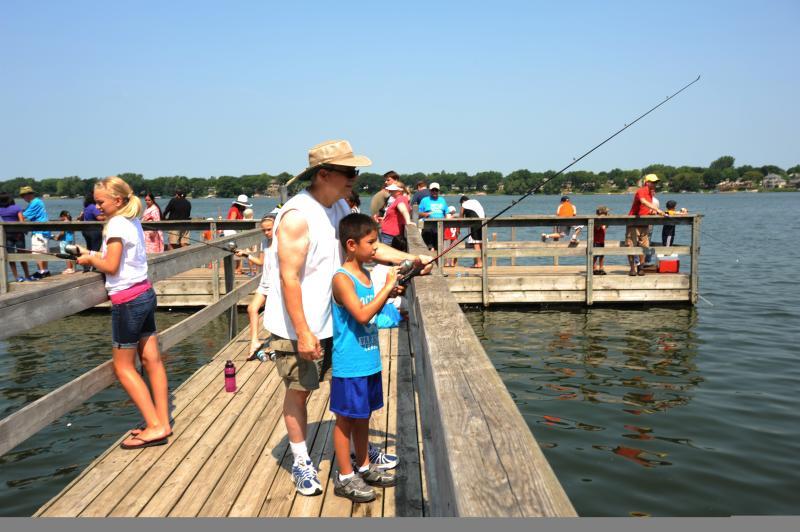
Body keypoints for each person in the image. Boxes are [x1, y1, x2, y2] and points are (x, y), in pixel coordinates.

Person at [263, 139, 432, 496]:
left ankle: (360, 451)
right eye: (349, 171)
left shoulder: (339, 206)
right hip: (299, 324)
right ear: (324, 174)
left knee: (347, 395)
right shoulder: (296, 216)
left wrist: (411, 259)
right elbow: (288, 278)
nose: (355, 177)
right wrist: (304, 332)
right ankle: (302, 461)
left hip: (334, 321)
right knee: (301, 390)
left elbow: (369, 246)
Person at [75, 176, 171, 449]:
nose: (96, 208)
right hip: (144, 293)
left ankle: (154, 427)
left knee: (123, 366)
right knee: (152, 360)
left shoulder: (116, 223)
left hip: (127, 301)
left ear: (117, 201)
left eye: (100, 202)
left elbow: (113, 266)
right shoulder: (132, 221)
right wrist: (93, 253)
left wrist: (91, 259)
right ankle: (162, 421)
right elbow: (121, 258)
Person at [331, 213, 399, 502]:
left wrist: (387, 292)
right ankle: (346, 477)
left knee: (363, 417)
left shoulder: (367, 274)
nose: (376, 247)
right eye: (371, 242)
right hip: (350, 364)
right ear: (351, 244)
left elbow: (370, 308)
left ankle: (365, 466)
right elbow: (360, 315)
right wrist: (386, 289)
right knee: (345, 419)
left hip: (369, 359)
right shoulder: (341, 278)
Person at [240, 214, 275, 357]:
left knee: (273, 313)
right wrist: (245, 255)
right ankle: (255, 341)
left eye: (269, 229)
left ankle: (275, 343)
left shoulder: (282, 242)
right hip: (265, 282)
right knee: (251, 308)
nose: (266, 233)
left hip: (276, 283)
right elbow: (261, 262)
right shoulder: (264, 243)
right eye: (264, 230)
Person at [626, 174, 666, 276]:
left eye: (656, 182)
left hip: (644, 223)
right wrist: (657, 209)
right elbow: (643, 202)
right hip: (633, 223)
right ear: (647, 182)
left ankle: (641, 268)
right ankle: (632, 269)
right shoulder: (642, 191)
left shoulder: (650, 194)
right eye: (653, 182)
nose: (655, 184)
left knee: (644, 247)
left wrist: (652, 212)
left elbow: (645, 208)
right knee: (631, 246)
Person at [20, 186, 51, 279]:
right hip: (44, 231)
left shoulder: (34, 203)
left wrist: (16, 212)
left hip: (39, 231)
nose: (23, 198)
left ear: (29, 195)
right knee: (44, 251)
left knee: (37, 252)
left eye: (23, 196)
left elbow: (24, 216)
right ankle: (45, 271)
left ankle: (41, 272)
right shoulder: (38, 201)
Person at [0, 192, 31, 281]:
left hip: (7, 235)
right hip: (18, 235)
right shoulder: (17, 208)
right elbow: (22, 222)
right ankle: (27, 276)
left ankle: (16, 277)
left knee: (10, 256)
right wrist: (22, 232)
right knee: (22, 255)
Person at [379, 182, 411, 251]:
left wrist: (408, 222)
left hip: (390, 235)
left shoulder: (399, 200)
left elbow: (404, 210)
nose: (390, 191)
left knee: (386, 256)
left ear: (399, 191)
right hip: (392, 234)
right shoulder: (403, 198)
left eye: (393, 190)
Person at [418, 182, 449, 252]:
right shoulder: (424, 200)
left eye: (436, 190)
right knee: (429, 247)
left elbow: (447, 212)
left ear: (439, 191)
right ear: (430, 191)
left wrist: (448, 221)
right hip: (428, 226)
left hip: (440, 226)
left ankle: (438, 261)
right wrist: (425, 214)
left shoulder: (442, 200)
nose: (434, 192)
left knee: (438, 246)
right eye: (433, 190)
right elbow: (418, 212)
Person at [225, 195, 252, 275]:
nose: (245, 207)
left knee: (237, 250)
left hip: (235, 231)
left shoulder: (238, 209)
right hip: (231, 232)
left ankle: (238, 268)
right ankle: (237, 268)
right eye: (244, 205)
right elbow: (232, 221)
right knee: (236, 250)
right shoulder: (234, 209)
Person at [78, 193, 105, 272]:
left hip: (86, 231)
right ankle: (93, 266)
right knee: (95, 250)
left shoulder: (86, 207)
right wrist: (107, 216)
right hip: (95, 230)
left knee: (89, 248)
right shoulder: (93, 207)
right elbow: (99, 218)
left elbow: (82, 217)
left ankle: (87, 266)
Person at [460, 195, 486, 268]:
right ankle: (481, 262)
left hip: (474, 223)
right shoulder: (475, 202)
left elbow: (461, 216)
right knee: (481, 242)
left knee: (475, 242)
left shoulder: (464, 204)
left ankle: (478, 263)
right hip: (483, 222)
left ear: (462, 202)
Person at [593, 206, 609, 275]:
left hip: (602, 241)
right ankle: (594, 268)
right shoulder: (596, 221)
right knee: (595, 256)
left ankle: (601, 268)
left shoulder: (604, 222)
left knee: (602, 255)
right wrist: (601, 221)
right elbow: (597, 228)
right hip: (596, 241)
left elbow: (607, 226)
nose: (607, 214)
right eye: (606, 213)